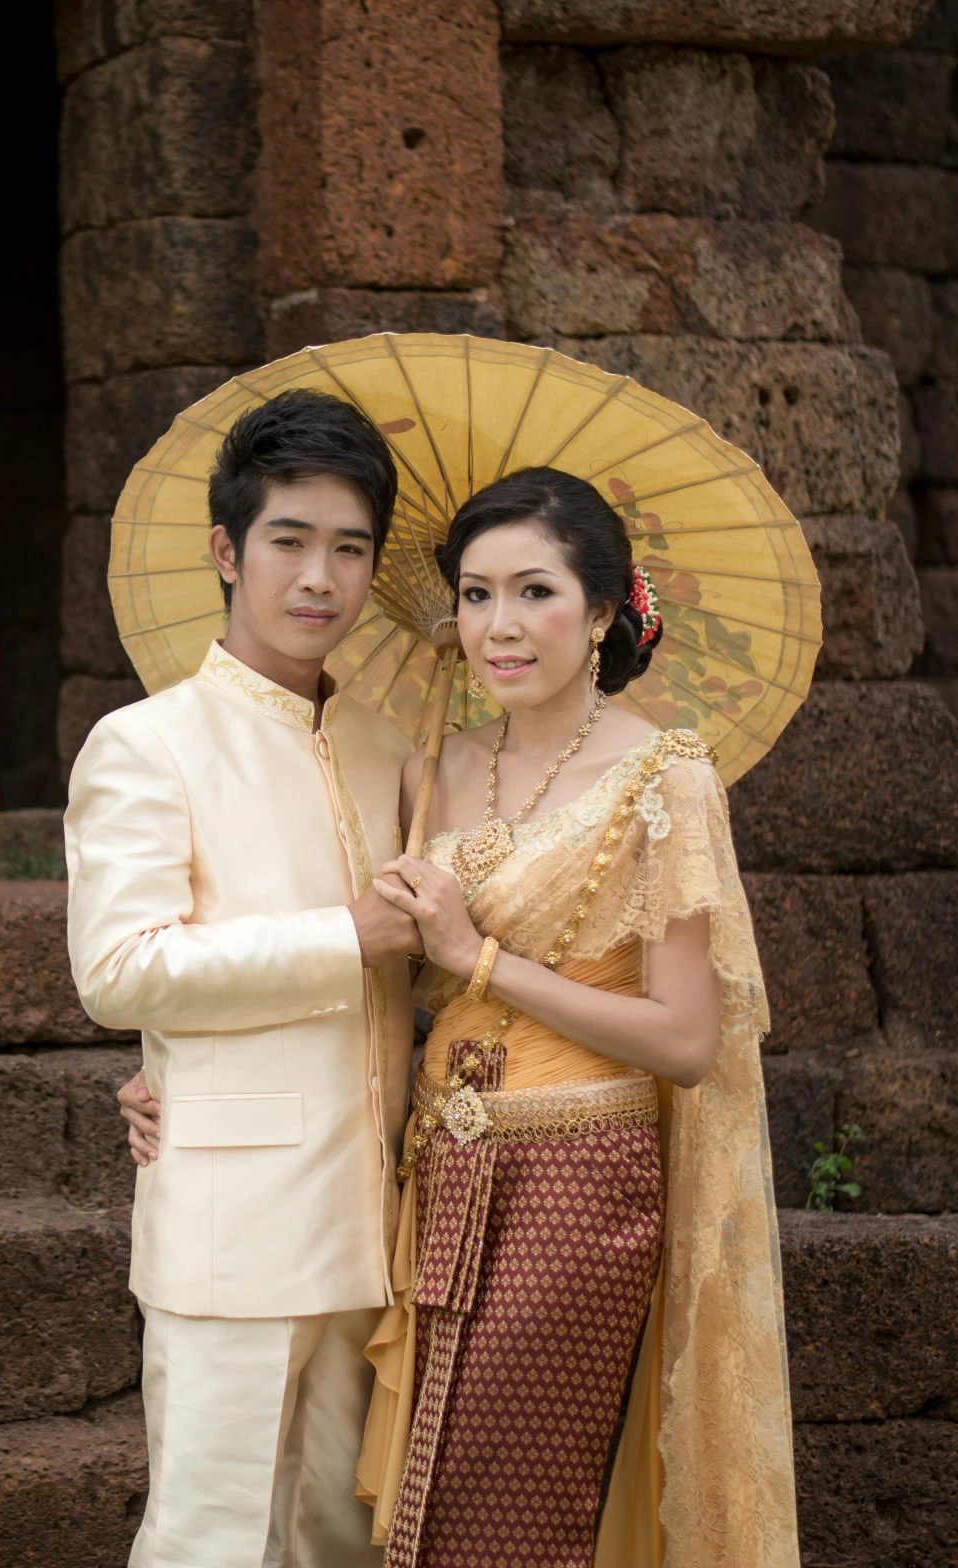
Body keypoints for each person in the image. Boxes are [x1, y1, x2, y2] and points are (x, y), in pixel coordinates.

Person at [355, 466, 799, 1567]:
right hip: (438, 1168)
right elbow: (389, 984)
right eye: (474, 594)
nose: (498, 626)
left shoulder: (664, 774)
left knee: (502, 1508)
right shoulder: (437, 769)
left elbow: (686, 1041)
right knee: (422, 1504)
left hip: (578, 1175)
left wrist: (479, 956)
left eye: (534, 591)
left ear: (603, 610)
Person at [66, 387, 420, 1568]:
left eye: (350, 548)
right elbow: (121, 968)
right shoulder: (145, 742)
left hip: (381, 1221)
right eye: (290, 540)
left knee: (344, 1535)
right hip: (232, 1212)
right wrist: (343, 936)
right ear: (228, 550)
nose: (320, 576)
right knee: (208, 1541)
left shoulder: (390, 749)